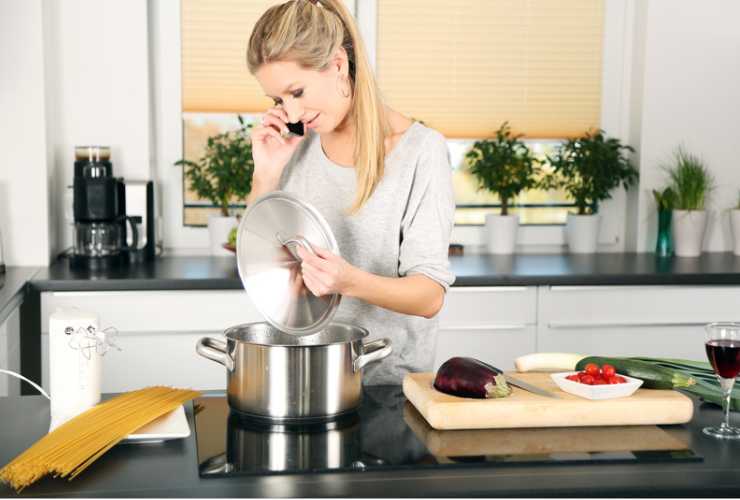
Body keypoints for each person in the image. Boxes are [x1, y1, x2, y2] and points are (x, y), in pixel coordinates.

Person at [245, 0, 455, 385]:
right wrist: (266, 174)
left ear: (338, 64)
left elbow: (429, 298)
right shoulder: (296, 147)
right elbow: (259, 261)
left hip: (388, 388)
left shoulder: (420, 152)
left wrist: (347, 280)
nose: (290, 114)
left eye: (297, 91)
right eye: (278, 101)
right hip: (304, 378)